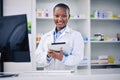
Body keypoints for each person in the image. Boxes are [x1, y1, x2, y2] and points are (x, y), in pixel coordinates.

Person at [35, 3, 84, 70]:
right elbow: (37, 56)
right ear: (53, 16)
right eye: (57, 16)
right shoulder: (45, 36)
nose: (60, 19)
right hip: (49, 75)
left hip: (67, 76)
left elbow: (78, 58)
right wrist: (47, 56)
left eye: (64, 16)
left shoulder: (76, 36)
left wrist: (62, 58)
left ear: (68, 17)